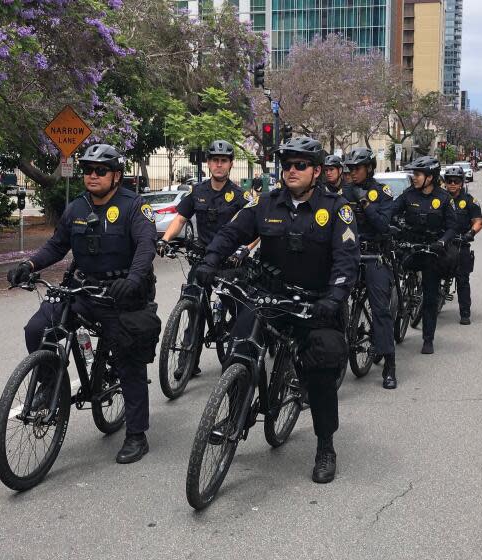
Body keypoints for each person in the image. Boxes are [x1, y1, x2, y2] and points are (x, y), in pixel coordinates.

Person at [194, 136, 360, 484]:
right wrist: (209, 261)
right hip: (270, 297)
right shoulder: (265, 203)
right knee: (240, 346)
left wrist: (334, 299)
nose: (292, 171)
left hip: (314, 303)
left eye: (300, 165)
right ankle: (235, 407)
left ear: (316, 171)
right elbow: (231, 232)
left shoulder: (336, 208)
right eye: (287, 165)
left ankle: (325, 445)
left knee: (321, 368)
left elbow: (347, 261)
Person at [7, 144, 157, 464]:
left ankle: (136, 434)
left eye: (100, 171)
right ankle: (49, 388)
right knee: (37, 328)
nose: (92, 176)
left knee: (129, 359)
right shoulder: (77, 207)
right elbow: (57, 245)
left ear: (116, 176)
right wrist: (30, 266)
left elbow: (146, 246)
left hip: (122, 294)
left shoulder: (133, 206)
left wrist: (132, 280)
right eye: (88, 170)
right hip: (83, 289)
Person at [156, 140, 251, 376]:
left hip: (230, 262)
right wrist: (165, 240)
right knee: (193, 307)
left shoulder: (239, 195)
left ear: (230, 164)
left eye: (224, 160)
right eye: (215, 160)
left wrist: (245, 249)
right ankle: (187, 362)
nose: (219, 165)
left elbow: (255, 226)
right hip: (202, 259)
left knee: (238, 308)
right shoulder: (196, 192)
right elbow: (180, 219)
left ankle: (239, 354)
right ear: (208, 163)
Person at [388, 155, 457, 355]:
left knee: (430, 295)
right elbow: (391, 211)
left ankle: (428, 338)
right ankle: (398, 305)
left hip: (431, 252)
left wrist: (442, 242)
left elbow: (452, 227)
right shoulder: (408, 195)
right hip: (409, 247)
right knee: (391, 281)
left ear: (430, 177)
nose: (414, 178)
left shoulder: (444, 198)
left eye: (418, 174)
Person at [341, 148, 397, 389]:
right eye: (350, 169)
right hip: (349, 254)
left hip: (374, 254)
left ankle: (390, 366)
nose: (352, 173)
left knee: (380, 309)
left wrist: (365, 203)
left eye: (357, 168)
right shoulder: (343, 192)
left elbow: (384, 225)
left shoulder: (381, 192)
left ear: (369, 168)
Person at [443, 166, 482, 325]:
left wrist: (470, 234)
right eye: (449, 181)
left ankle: (465, 312)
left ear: (461, 183)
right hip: (441, 242)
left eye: (456, 181)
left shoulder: (469, 201)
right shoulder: (440, 198)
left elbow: (478, 222)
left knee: (462, 279)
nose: (452, 184)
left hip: (460, 243)